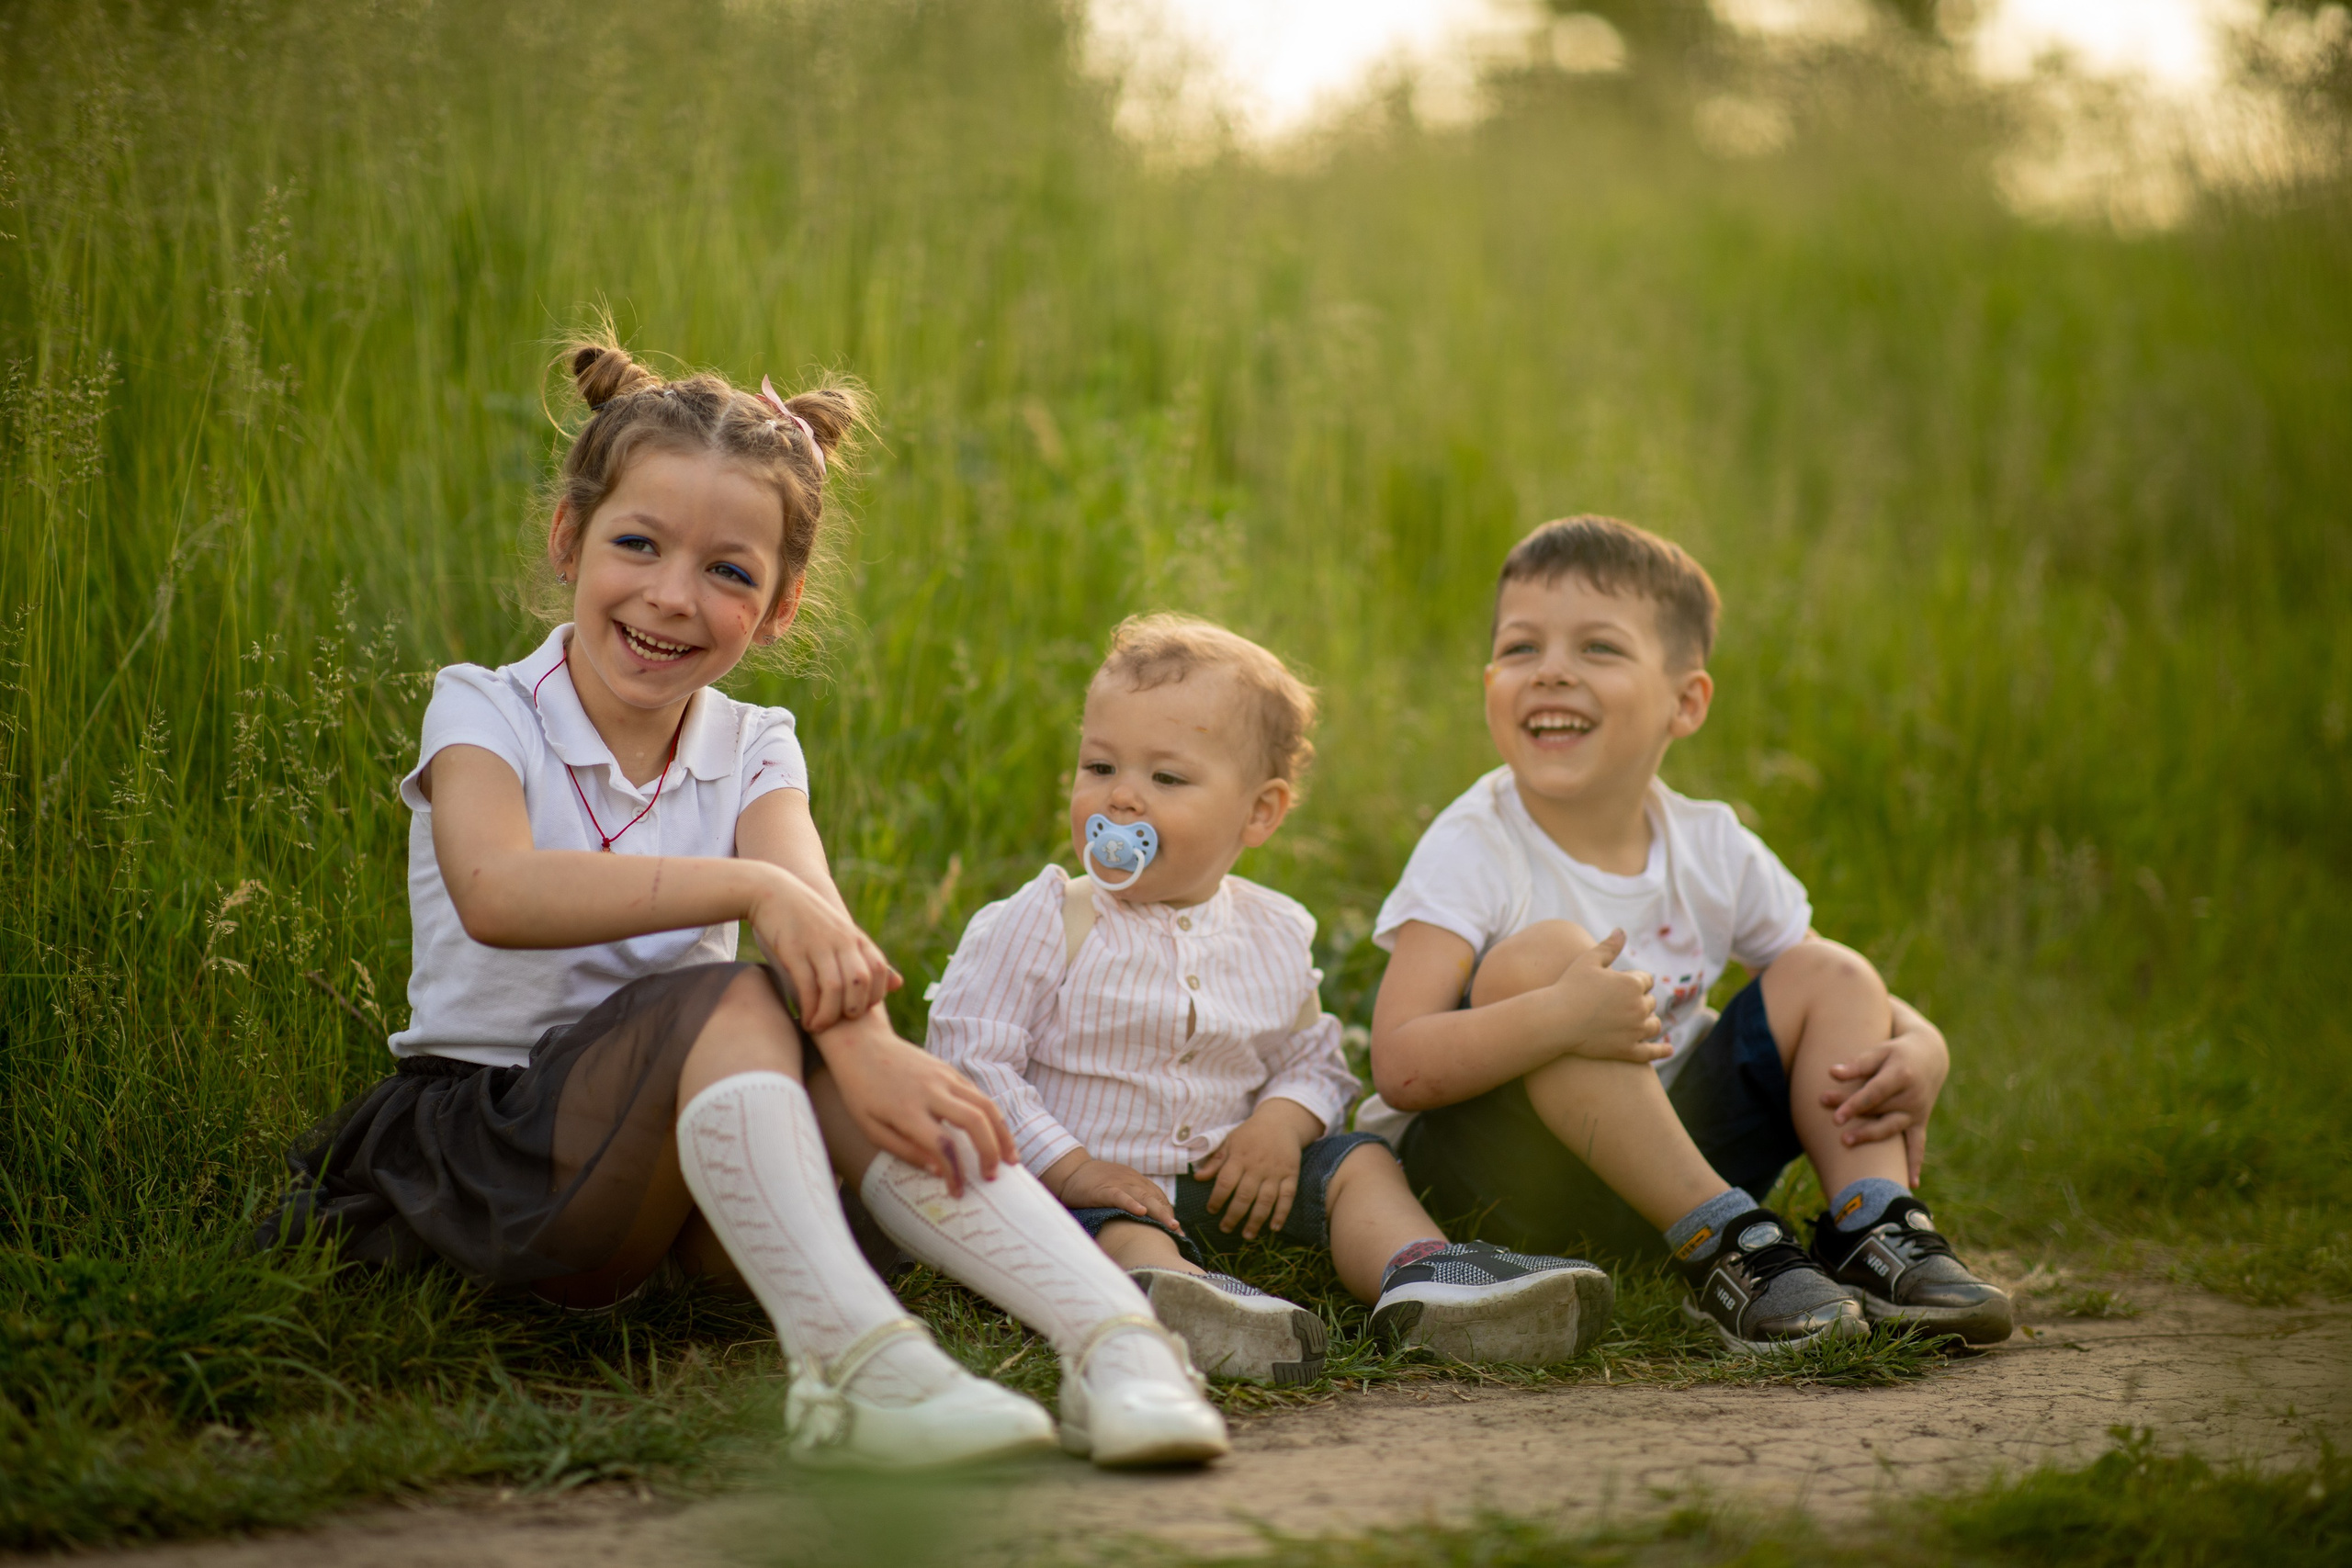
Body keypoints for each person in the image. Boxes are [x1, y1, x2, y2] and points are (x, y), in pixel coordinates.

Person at [259, 341, 1228, 1469]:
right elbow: (497, 892)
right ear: (569, 540)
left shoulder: (757, 744)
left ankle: (1122, 1351)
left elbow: (812, 915)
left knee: (831, 1047)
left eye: (729, 572)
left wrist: (867, 1050)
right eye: (638, 545)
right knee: (736, 991)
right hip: (500, 1157)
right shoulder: (482, 710)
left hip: (684, 1165)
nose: (673, 597)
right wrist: (752, 888)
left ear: (778, 606)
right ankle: (861, 1371)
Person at [1363, 516, 2013, 1352]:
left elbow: (1834, 998)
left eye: (1597, 648)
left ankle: (1874, 1231)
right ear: (1489, 679)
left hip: (1669, 1161)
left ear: (1685, 701)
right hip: (1509, 1176)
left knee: (1832, 970)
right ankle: (1721, 1241)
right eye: (1522, 648)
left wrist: (1925, 1043)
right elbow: (1401, 1062)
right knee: (1549, 956)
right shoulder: (1474, 843)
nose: (1551, 671)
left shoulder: (1711, 845)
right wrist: (1561, 1016)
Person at [929, 614, 1611, 1385]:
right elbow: (968, 1057)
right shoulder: (1049, 916)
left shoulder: (1274, 931)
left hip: (1236, 1186)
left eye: (1167, 778)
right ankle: (1173, 1299)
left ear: (1260, 812)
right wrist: (1073, 1165)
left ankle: (1424, 1276)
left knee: (1357, 1162)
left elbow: (1314, 1059)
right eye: (1098, 766)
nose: (1120, 798)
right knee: (1117, 1228)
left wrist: (1280, 1127)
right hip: (1091, 1187)